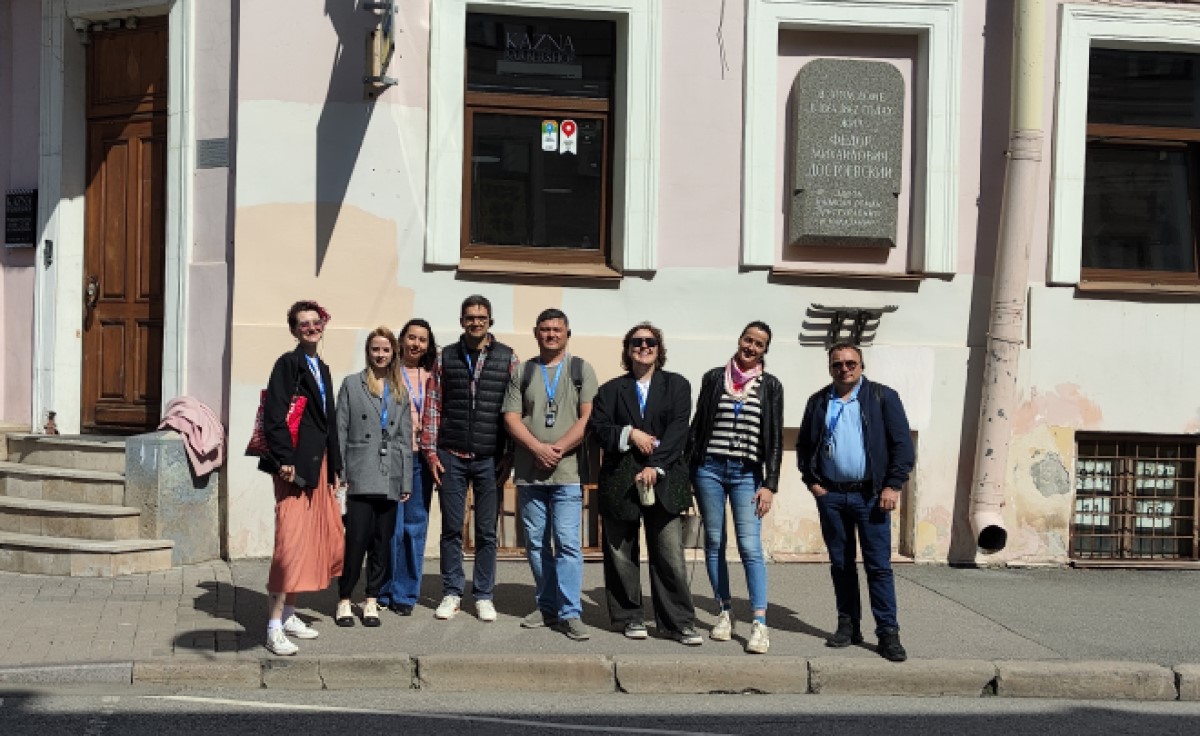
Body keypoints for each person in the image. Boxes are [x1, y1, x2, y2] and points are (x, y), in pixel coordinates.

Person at [796, 342, 915, 662]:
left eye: (851, 363)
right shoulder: (819, 401)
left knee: (878, 567)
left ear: (861, 366)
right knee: (841, 564)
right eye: (837, 364)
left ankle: (888, 634)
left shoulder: (882, 397)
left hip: (872, 496)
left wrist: (892, 486)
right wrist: (813, 483)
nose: (844, 369)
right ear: (830, 368)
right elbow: (805, 446)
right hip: (832, 496)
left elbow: (902, 446)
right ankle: (848, 626)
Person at [589, 322, 699, 645]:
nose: (643, 347)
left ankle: (678, 622)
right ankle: (629, 617)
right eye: (636, 342)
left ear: (659, 348)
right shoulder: (610, 390)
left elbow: (679, 431)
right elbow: (599, 429)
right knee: (621, 554)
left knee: (669, 555)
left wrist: (656, 466)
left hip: (664, 479)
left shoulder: (677, 385)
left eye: (650, 342)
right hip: (620, 481)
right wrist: (630, 434)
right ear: (628, 349)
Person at [419, 295, 518, 622]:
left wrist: (510, 453)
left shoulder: (508, 358)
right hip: (452, 455)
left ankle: (484, 595)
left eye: (481, 317)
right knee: (451, 528)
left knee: (487, 531)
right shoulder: (446, 357)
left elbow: (514, 409)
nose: (476, 322)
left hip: (490, 457)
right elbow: (434, 404)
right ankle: (451, 592)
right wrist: (430, 451)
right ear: (462, 321)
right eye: (470, 317)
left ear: (490, 321)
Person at [502, 309, 598, 641]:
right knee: (536, 543)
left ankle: (570, 612)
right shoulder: (524, 371)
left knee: (568, 544)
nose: (551, 334)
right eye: (545, 329)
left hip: (568, 472)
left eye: (557, 329)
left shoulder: (580, 369)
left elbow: (588, 418)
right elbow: (511, 417)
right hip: (530, 472)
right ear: (536, 333)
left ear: (567, 333)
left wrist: (556, 449)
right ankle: (546, 606)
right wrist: (537, 449)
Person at [688, 321, 782, 655]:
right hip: (709, 470)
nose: (751, 347)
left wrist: (770, 484)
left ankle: (759, 622)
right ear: (739, 340)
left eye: (759, 344)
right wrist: (689, 470)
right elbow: (698, 425)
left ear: (765, 350)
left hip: (747, 474)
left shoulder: (770, 385)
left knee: (750, 546)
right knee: (714, 541)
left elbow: (774, 437)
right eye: (748, 340)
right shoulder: (714, 378)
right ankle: (724, 612)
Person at [257, 300, 344, 656]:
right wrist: (284, 459)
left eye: (315, 322)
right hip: (293, 466)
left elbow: (329, 421)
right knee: (289, 546)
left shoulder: (321, 367)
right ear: (294, 330)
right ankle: (273, 627)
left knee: (310, 541)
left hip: (318, 465)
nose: (311, 328)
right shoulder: (288, 363)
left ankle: (290, 614)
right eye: (303, 324)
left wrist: (336, 466)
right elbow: (274, 415)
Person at [334, 327, 412, 628]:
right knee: (356, 540)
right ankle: (344, 598)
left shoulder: (399, 390)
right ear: (368, 352)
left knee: (382, 542)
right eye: (375, 349)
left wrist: (405, 480)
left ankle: (371, 599)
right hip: (360, 471)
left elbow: (405, 439)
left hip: (390, 473)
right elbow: (340, 429)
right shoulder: (352, 384)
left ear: (393, 354)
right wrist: (340, 472)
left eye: (386, 350)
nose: (380, 355)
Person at [377, 318, 438, 616]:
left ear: (428, 345)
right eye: (411, 337)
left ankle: (405, 593)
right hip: (392, 458)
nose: (416, 344)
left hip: (421, 460)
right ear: (401, 340)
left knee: (414, 527)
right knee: (390, 527)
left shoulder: (433, 375)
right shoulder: (387, 373)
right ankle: (382, 589)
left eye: (422, 339)